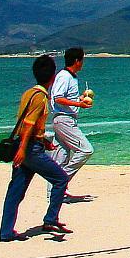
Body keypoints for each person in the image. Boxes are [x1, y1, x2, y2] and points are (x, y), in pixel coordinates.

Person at [0, 53, 69, 242]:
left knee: (16, 190)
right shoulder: (41, 97)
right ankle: (51, 218)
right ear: (53, 77)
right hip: (30, 149)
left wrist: (43, 139)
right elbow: (29, 123)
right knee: (60, 179)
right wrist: (23, 150)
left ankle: (6, 231)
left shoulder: (28, 93)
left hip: (29, 144)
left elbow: (28, 123)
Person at [50, 46, 95, 201]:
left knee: (60, 157)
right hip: (64, 119)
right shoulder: (64, 76)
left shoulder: (71, 77)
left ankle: (54, 194)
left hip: (64, 118)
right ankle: (61, 181)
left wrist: (80, 99)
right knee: (86, 150)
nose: (83, 63)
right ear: (77, 61)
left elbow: (64, 98)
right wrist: (79, 105)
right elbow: (58, 98)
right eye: (82, 59)